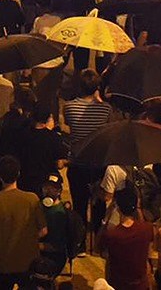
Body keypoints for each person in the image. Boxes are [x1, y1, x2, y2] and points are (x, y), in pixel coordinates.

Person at [0, 154, 47, 289]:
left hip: (3, 263)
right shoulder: (32, 199)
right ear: (18, 173)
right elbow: (43, 230)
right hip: (29, 263)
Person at [63, 70, 111, 227]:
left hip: (78, 162)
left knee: (79, 204)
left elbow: (71, 126)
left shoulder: (69, 107)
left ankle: (80, 240)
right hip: (98, 163)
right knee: (99, 205)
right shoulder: (105, 109)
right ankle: (97, 236)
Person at [96, 185, 156, 290]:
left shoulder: (112, 234)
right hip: (141, 285)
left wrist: (106, 218)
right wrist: (138, 208)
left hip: (118, 285)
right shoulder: (147, 229)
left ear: (117, 208)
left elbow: (98, 247)